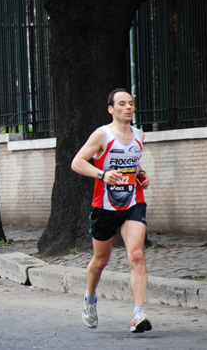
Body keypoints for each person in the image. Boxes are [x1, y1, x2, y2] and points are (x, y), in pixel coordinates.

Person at [71, 88, 152, 333]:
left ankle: (138, 314)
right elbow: (77, 163)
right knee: (101, 260)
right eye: (122, 103)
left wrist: (141, 174)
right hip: (104, 205)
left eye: (131, 103)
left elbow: (133, 160)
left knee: (137, 254)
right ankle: (90, 298)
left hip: (133, 201)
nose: (128, 107)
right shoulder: (102, 135)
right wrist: (103, 174)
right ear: (111, 109)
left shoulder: (140, 134)